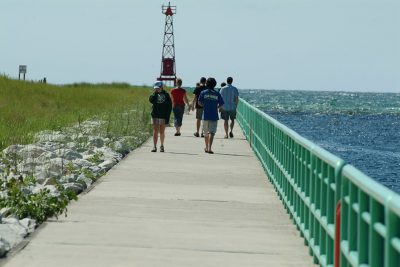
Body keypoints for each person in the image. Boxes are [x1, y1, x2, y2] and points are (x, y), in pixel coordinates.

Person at [198, 77, 224, 154]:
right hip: (214, 115)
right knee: (212, 133)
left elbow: (199, 102)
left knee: (206, 133)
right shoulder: (217, 93)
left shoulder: (203, 92)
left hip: (205, 115)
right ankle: (209, 148)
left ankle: (206, 147)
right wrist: (216, 107)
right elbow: (221, 104)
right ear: (215, 84)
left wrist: (204, 105)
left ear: (206, 84)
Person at [149, 81, 172, 152]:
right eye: (156, 88)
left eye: (158, 88)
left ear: (162, 87)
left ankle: (162, 146)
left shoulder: (166, 95)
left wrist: (167, 117)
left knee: (162, 131)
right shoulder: (154, 95)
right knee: (155, 131)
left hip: (163, 115)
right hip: (155, 115)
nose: (157, 89)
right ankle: (154, 146)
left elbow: (169, 106)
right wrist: (155, 93)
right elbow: (151, 100)